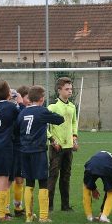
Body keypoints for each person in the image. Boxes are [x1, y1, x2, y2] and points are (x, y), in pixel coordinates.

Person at [17, 85, 64, 223]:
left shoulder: (23, 113)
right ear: (42, 99)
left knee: (29, 182)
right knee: (43, 181)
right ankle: (43, 216)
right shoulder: (42, 111)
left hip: (24, 151)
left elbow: (17, 127)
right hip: (38, 151)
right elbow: (60, 119)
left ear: (30, 98)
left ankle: (29, 216)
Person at [0, 80, 23, 221]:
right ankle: (2, 214)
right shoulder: (12, 107)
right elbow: (22, 113)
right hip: (4, 146)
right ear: (9, 93)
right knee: (3, 178)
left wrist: (6, 96)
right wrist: (18, 100)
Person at [47, 77, 78, 212]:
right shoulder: (52, 107)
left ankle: (65, 206)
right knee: (53, 176)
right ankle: (49, 205)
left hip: (68, 147)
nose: (70, 91)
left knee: (66, 176)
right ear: (59, 90)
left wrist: (74, 137)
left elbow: (73, 123)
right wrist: (52, 140)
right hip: (56, 147)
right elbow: (45, 126)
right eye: (67, 89)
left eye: (71, 89)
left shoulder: (72, 107)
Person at [8, 85, 31, 217]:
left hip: (24, 148)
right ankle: (5, 208)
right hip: (13, 148)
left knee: (20, 178)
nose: (29, 100)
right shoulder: (16, 110)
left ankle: (18, 207)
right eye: (27, 97)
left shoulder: (29, 110)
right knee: (10, 179)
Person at [82, 151, 112, 223]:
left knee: (86, 187)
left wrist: (93, 188)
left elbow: (87, 180)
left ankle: (89, 216)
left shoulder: (105, 155)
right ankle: (104, 216)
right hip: (108, 169)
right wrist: (94, 189)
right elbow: (109, 190)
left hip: (91, 165)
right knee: (111, 192)